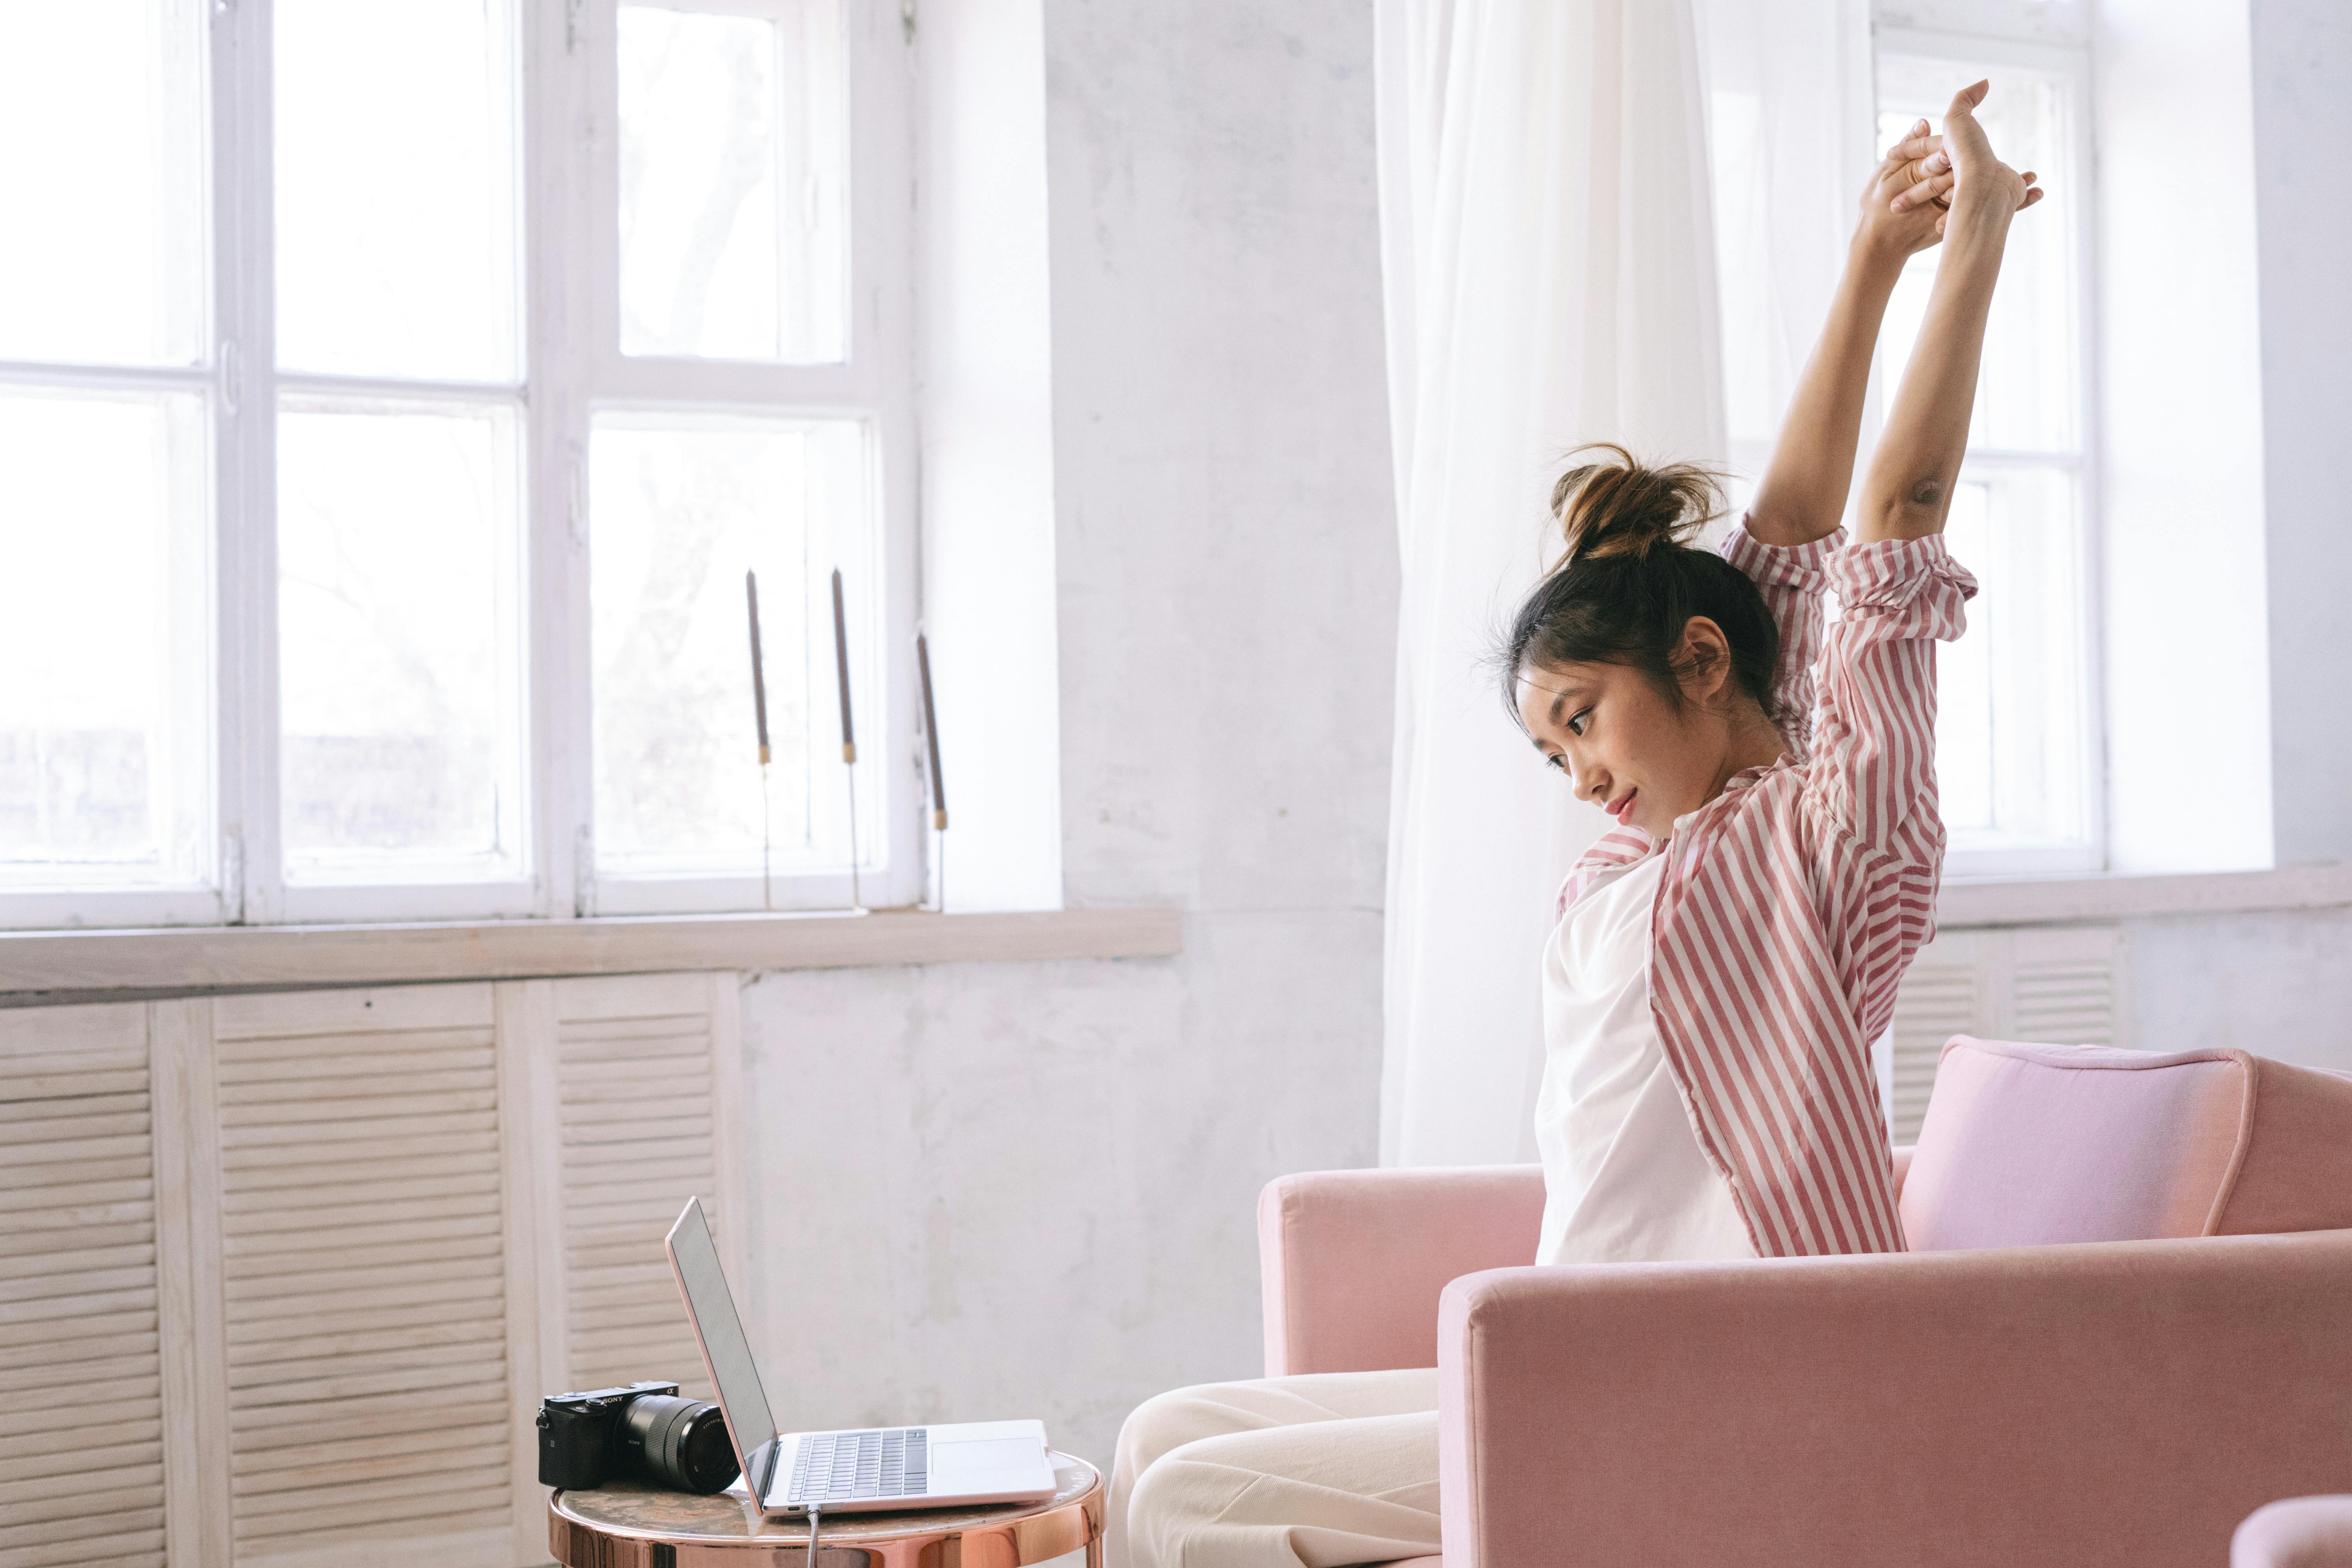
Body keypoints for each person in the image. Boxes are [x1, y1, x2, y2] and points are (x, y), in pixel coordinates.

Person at [1105, 80, 2045, 1568]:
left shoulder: (1832, 840)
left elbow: (1886, 522)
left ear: (1700, 664)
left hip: (1728, 1378)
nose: (1581, 780)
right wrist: (1871, 257)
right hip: (1585, 1353)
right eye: (1553, 755)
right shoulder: (1640, 855)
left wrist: (1975, 241)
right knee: (1164, 1435)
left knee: (1189, 1505)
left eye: (1582, 723)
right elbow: (1788, 534)